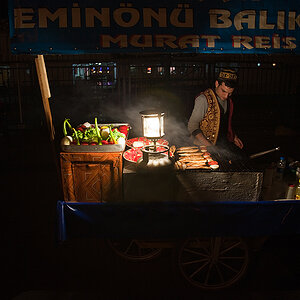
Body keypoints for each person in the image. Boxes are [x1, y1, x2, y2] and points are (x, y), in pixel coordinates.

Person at [188, 68, 244, 157]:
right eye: (224, 91)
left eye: (230, 93)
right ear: (217, 83)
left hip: (221, 145)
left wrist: (234, 137)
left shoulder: (229, 101)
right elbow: (192, 126)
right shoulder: (203, 99)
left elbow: (224, 123)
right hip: (201, 148)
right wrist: (209, 146)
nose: (226, 96)